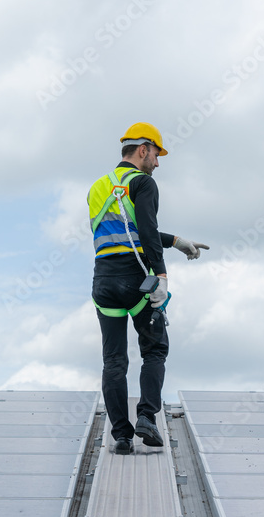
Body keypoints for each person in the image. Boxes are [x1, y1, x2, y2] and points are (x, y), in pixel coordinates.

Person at [87, 122, 209, 455]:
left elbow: (128, 228)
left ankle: (122, 436)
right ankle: (146, 418)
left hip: (104, 281)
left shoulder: (98, 187)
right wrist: (162, 276)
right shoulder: (143, 184)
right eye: (156, 154)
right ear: (143, 149)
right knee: (154, 350)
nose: (157, 163)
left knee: (113, 361)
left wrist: (176, 241)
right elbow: (145, 228)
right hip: (138, 278)